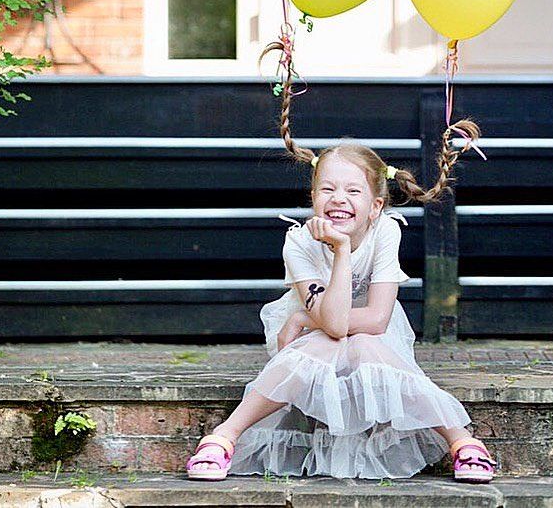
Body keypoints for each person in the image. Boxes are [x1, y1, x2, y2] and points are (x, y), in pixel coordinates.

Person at [185, 80, 495, 483]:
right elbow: (333, 324)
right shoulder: (298, 242)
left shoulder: (387, 231)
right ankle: (223, 438)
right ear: (312, 197)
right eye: (327, 189)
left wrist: (305, 319)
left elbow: (379, 320)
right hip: (316, 335)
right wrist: (341, 252)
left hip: (368, 334)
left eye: (353, 191)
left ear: (375, 206)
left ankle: (462, 441)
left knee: (364, 343)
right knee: (327, 341)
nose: (339, 199)